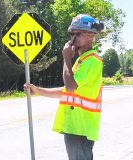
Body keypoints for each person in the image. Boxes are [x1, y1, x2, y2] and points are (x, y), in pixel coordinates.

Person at [24, 14, 104, 160]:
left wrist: (66, 59)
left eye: (77, 34)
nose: (72, 38)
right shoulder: (81, 61)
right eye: (71, 34)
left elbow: (70, 86)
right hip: (76, 127)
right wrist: (38, 91)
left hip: (81, 128)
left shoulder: (92, 61)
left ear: (91, 36)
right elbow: (67, 91)